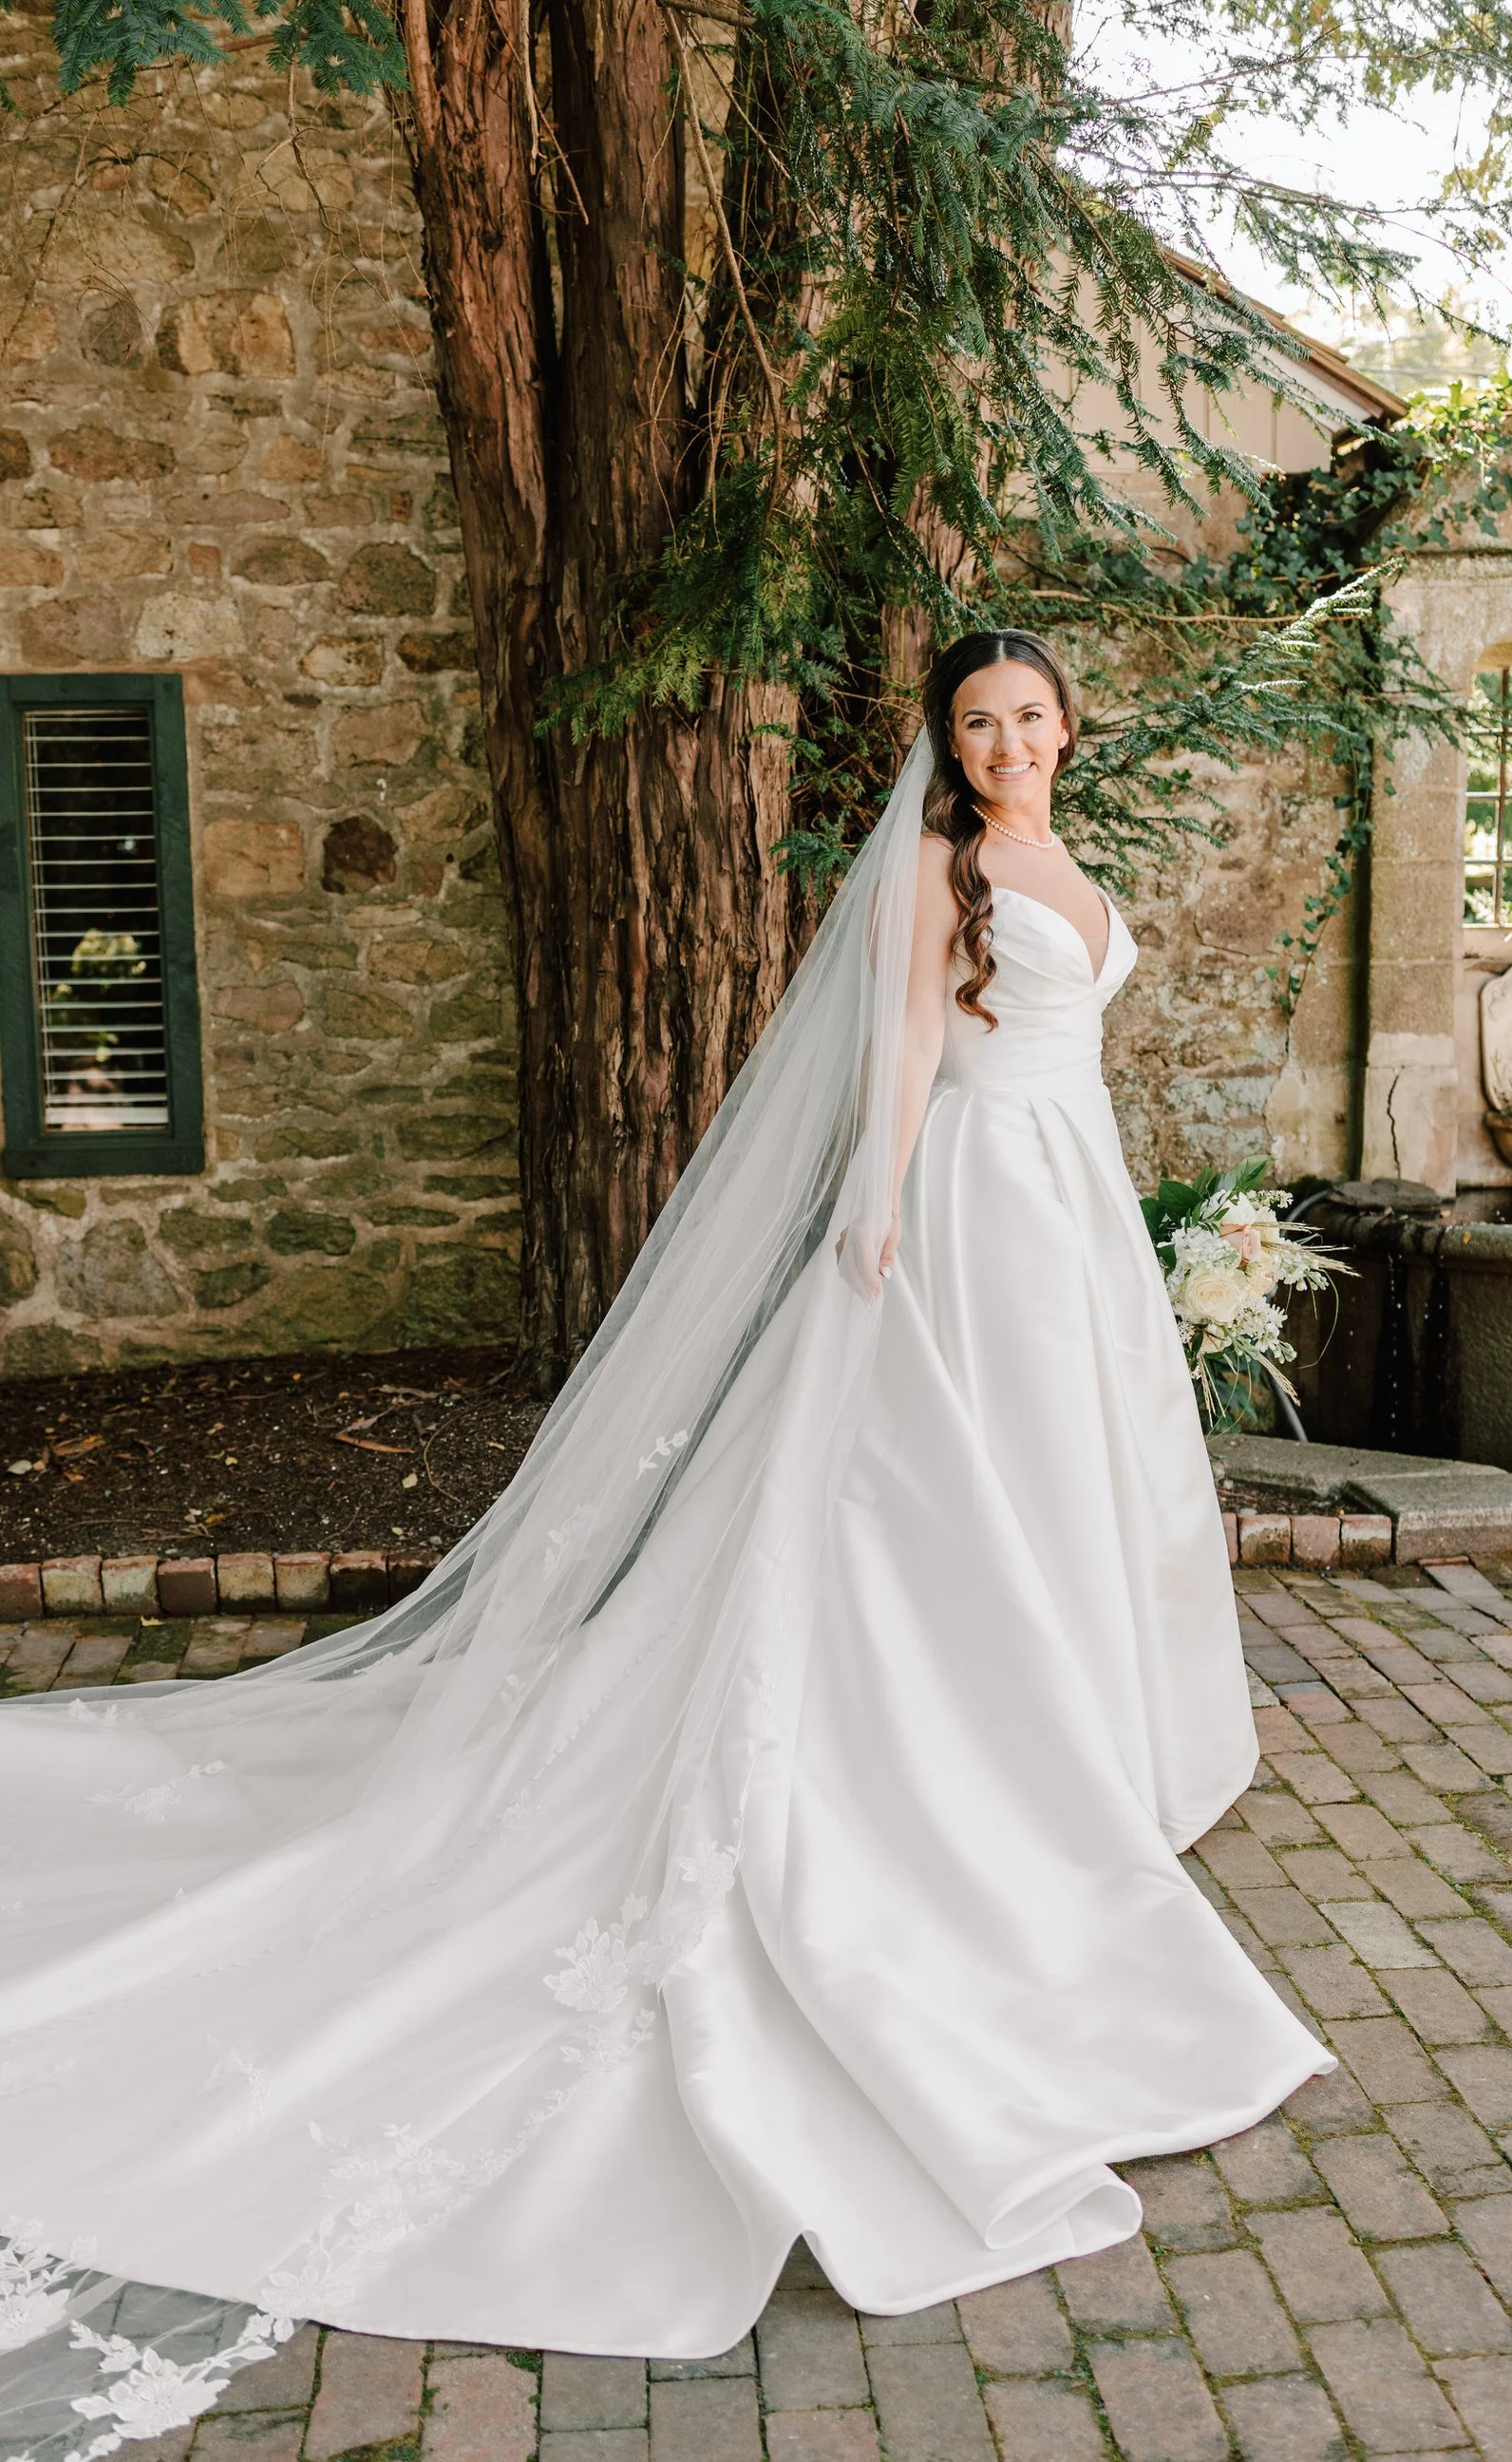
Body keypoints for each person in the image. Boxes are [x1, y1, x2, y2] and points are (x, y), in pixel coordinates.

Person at [0, 631, 1329, 2460]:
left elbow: (1071, 1057)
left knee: (1071, 1500)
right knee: (939, 1516)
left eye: (1029, 717)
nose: (1008, 743)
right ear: (945, 746)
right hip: (961, 1222)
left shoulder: (1075, 871)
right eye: (978, 722)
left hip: (1074, 1219)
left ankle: (1072, 1753)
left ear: (1064, 729)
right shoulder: (932, 872)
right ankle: (948, 1772)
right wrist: (874, 1227)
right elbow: (904, 1058)